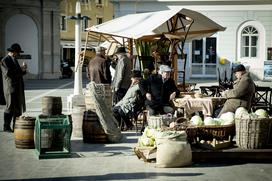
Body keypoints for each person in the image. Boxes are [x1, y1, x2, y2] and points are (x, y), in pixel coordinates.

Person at [1, 43, 27, 132]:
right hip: (10, 88)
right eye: (17, 53)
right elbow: (9, 73)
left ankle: (16, 126)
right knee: (10, 107)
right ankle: (6, 127)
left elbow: (19, 73)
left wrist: (24, 70)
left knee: (17, 108)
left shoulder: (14, 59)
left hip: (17, 88)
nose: (18, 54)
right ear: (12, 52)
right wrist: (20, 68)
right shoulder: (5, 60)